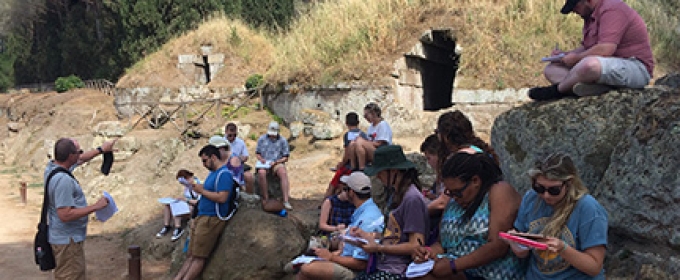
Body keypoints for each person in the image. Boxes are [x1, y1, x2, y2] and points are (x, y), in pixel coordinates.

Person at [412, 152, 525, 280]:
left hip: (489, 272)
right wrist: (428, 252)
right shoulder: (454, 201)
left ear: (475, 181)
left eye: (458, 192)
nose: (454, 197)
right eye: (450, 192)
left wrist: (453, 266)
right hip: (457, 268)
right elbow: (441, 244)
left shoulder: (498, 191)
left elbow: (498, 245)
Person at [528, 0, 654, 101]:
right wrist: (564, 55)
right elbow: (588, 48)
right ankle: (596, 89)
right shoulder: (589, 16)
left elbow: (606, 49)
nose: (573, 11)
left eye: (575, 6)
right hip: (607, 66)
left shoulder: (612, 9)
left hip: (635, 66)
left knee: (589, 65)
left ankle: (557, 91)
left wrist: (576, 59)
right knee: (551, 69)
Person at [508, 152, 608, 279]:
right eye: (539, 188)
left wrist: (563, 249)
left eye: (554, 190)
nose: (546, 195)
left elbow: (594, 267)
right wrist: (516, 243)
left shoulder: (589, 209)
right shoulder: (531, 198)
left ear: (569, 183)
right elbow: (522, 251)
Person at [351, 145, 430, 280]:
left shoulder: (412, 199)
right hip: (385, 265)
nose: (378, 176)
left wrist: (379, 248)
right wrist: (367, 236)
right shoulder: (395, 194)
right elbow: (393, 234)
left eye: (380, 172)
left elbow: (416, 245)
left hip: (398, 270)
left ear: (393, 171)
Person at [46, 138, 117, 279]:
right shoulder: (63, 180)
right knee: (71, 276)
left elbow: (81, 159)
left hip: (64, 238)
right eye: (78, 152)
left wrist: (101, 150)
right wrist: (95, 207)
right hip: (68, 241)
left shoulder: (53, 168)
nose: (80, 155)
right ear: (71, 156)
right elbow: (65, 214)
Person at [295, 172, 384, 280]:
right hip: (348, 259)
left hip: (357, 271)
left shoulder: (366, 219)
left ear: (351, 192)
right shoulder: (366, 210)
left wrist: (331, 257)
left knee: (307, 269)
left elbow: (361, 263)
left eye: (346, 189)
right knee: (304, 271)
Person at [175, 145, 236, 280]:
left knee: (199, 256)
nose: (203, 164)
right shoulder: (212, 174)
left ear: (213, 157)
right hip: (202, 216)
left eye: (205, 160)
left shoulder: (224, 174)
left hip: (212, 218)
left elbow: (222, 197)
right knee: (191, 254)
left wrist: (202, 191)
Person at [325, 112, 369, 197]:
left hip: (349, 165)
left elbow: (347, 152)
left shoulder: (347, 135)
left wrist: (342, 163)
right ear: (358, 122)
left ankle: (326, 200)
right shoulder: (363, 134)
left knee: (334, 183)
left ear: (346, 123)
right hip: (361, 164)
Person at [255, 121, 293, 210]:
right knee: (261, 173)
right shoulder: (262, 139)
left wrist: (276, 162)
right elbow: (257, 153)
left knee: (283, 173)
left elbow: (286, 157)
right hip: (265, 163)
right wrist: (261, 159)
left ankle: (286, 200)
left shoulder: (283, 141)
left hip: (277, 162)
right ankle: (266, 198)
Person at [156, 169, 200, 242]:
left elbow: (198, 202)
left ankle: (178, 228)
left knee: (177, 206)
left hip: (195, 209)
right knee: (168, 205)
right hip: (189, 206)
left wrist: (185, 200)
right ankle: (166, 226)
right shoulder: (187, 188)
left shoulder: (198, 185)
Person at [347, 103, 392, 171]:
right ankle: (353, 166)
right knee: (353, 143)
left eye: (366, 115)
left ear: (373, 114)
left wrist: (363, 142)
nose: (365, 117)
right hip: (373, 149)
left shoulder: (382, 125)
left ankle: (362, 167)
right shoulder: (371, 126)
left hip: (381, 152)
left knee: (359, 141)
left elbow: (380, 144)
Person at [224, 122, 255, 193]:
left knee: (249, 176)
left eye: (234, 135)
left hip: (238, 165)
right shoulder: (221, 142)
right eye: (230, 135)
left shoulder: (240, 142)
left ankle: (249, 197)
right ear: (226, 132)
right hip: (225, 165)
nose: (232, 137)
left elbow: (246, 156)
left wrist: (238, 159)